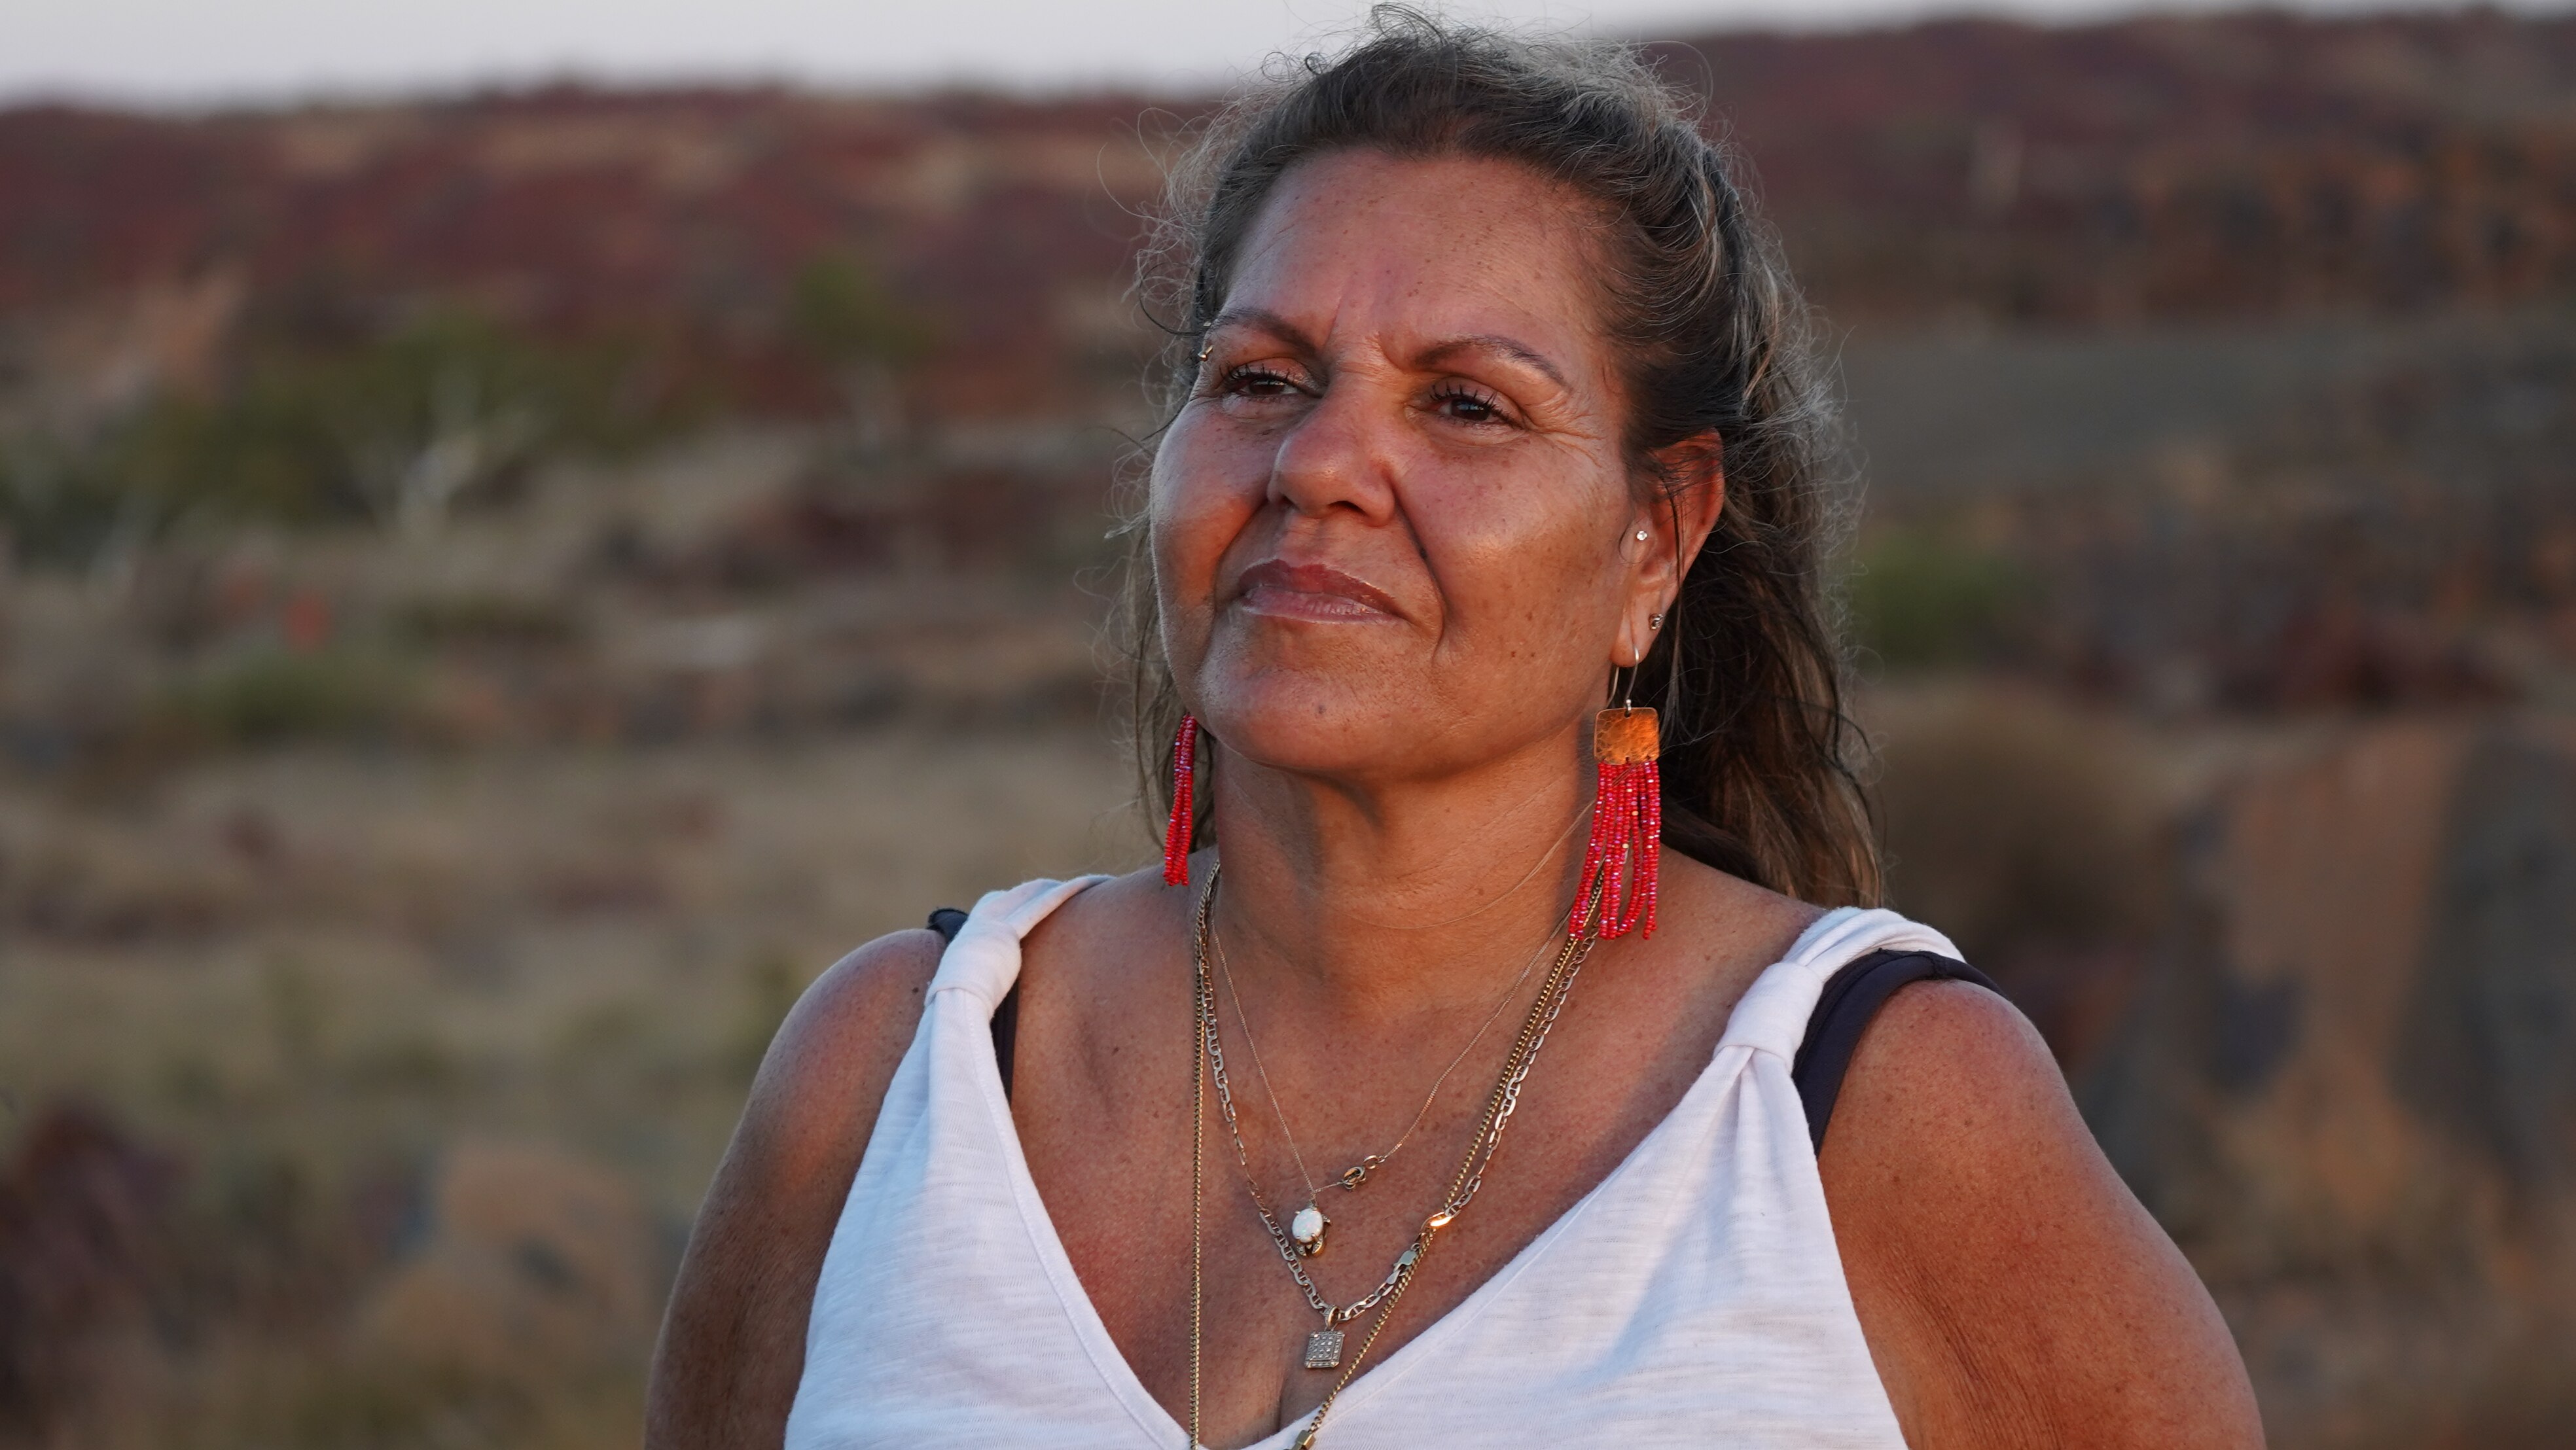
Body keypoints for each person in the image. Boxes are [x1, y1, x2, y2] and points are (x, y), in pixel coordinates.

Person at [646, 14, 2264, 1449]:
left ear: (1656, 538)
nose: (1321, 464)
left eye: (1467, 403)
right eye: (1263, 378)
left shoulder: (1874, 1109)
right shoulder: (894, 1075)